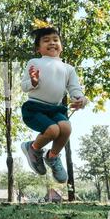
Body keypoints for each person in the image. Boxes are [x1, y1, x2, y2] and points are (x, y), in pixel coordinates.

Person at [21, 27, 88, 183]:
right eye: (46, 40)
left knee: (66, 128)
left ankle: (52, 157)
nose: (52, 43)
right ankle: (33, 148)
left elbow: (74, 89)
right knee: (53, 130)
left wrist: (80, 99)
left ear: (61, 46)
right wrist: (33, 81)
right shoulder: (35, 62)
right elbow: (24, 86)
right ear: (38, 48)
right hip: (34, 108)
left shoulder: (68, 69)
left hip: (55, 109)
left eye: (55, 40)